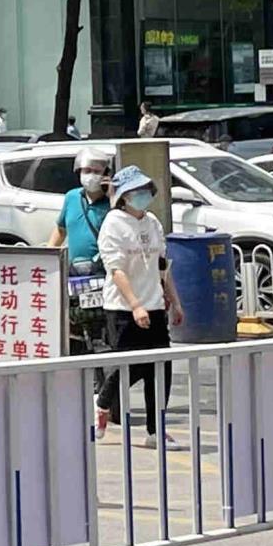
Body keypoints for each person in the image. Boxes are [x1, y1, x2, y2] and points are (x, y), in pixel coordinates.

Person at [95, 165, 185, 444]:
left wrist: (175, 301)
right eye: (136, 191)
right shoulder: (113, 224)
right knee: (129, 365)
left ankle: (155, 429)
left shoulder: (152, 222)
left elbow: (162, 265)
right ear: (124, 195)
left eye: (146, 189)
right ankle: (103, 403)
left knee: (159, 368)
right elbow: (116, 269)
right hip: (123, 307)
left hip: (154, 304)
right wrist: (135, 305)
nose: (143, 195)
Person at [48, 147, 114, 275]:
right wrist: (48, 256)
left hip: (103, 271)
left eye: (97, 172)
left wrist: (112, 197)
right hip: (74, 270)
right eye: (87, 171)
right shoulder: (71, 197)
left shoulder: (112, 203)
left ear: (106, 175)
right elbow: (61, 230)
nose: (91, 176)